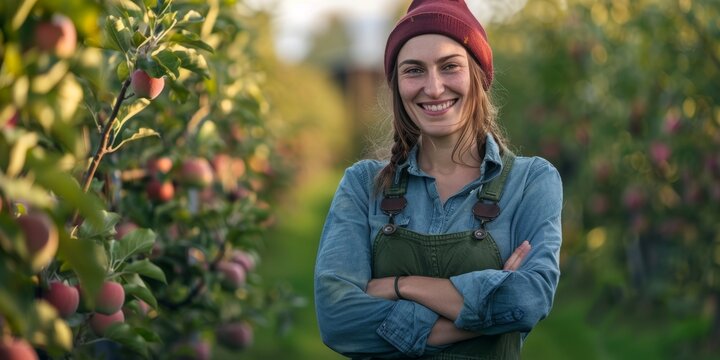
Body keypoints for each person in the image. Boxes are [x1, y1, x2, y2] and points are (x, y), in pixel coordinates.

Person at [314, 0, 563, 358]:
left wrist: (400, 286)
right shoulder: (363, 185)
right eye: (414, 70)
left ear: (477, 74)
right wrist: (484, 313)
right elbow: (337, 319)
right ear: (397, 85)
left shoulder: (529, 182)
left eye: (449, 67)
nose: (433, 88)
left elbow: (527, 300)